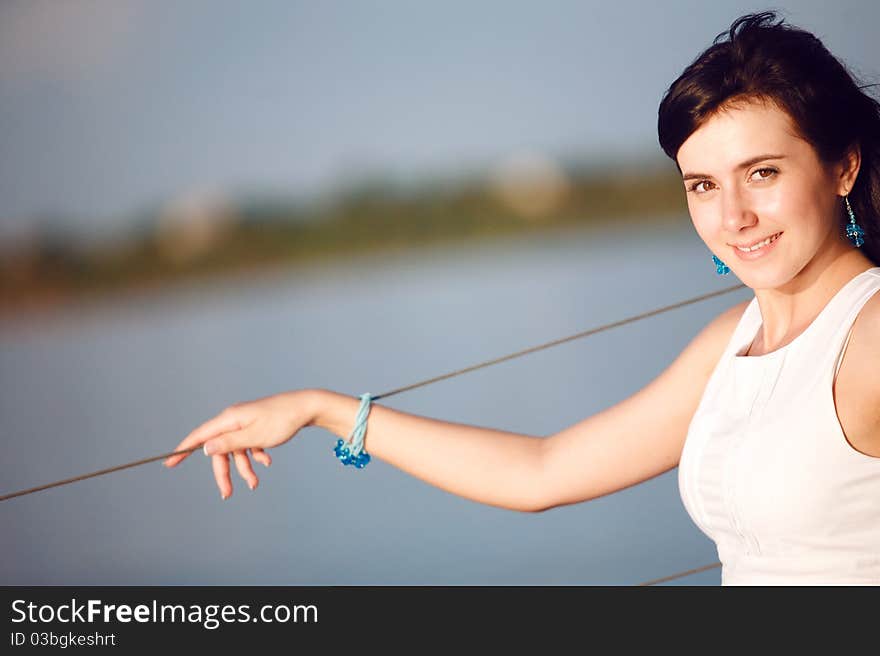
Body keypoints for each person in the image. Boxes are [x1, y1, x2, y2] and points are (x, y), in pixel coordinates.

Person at [164, 11, 880, 585]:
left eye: (761, 173)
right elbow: (543, 470)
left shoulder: (869, 334)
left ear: (842, 164)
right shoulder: (729, 342)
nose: (733, 218)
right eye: (703, 185)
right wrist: (320, 409)